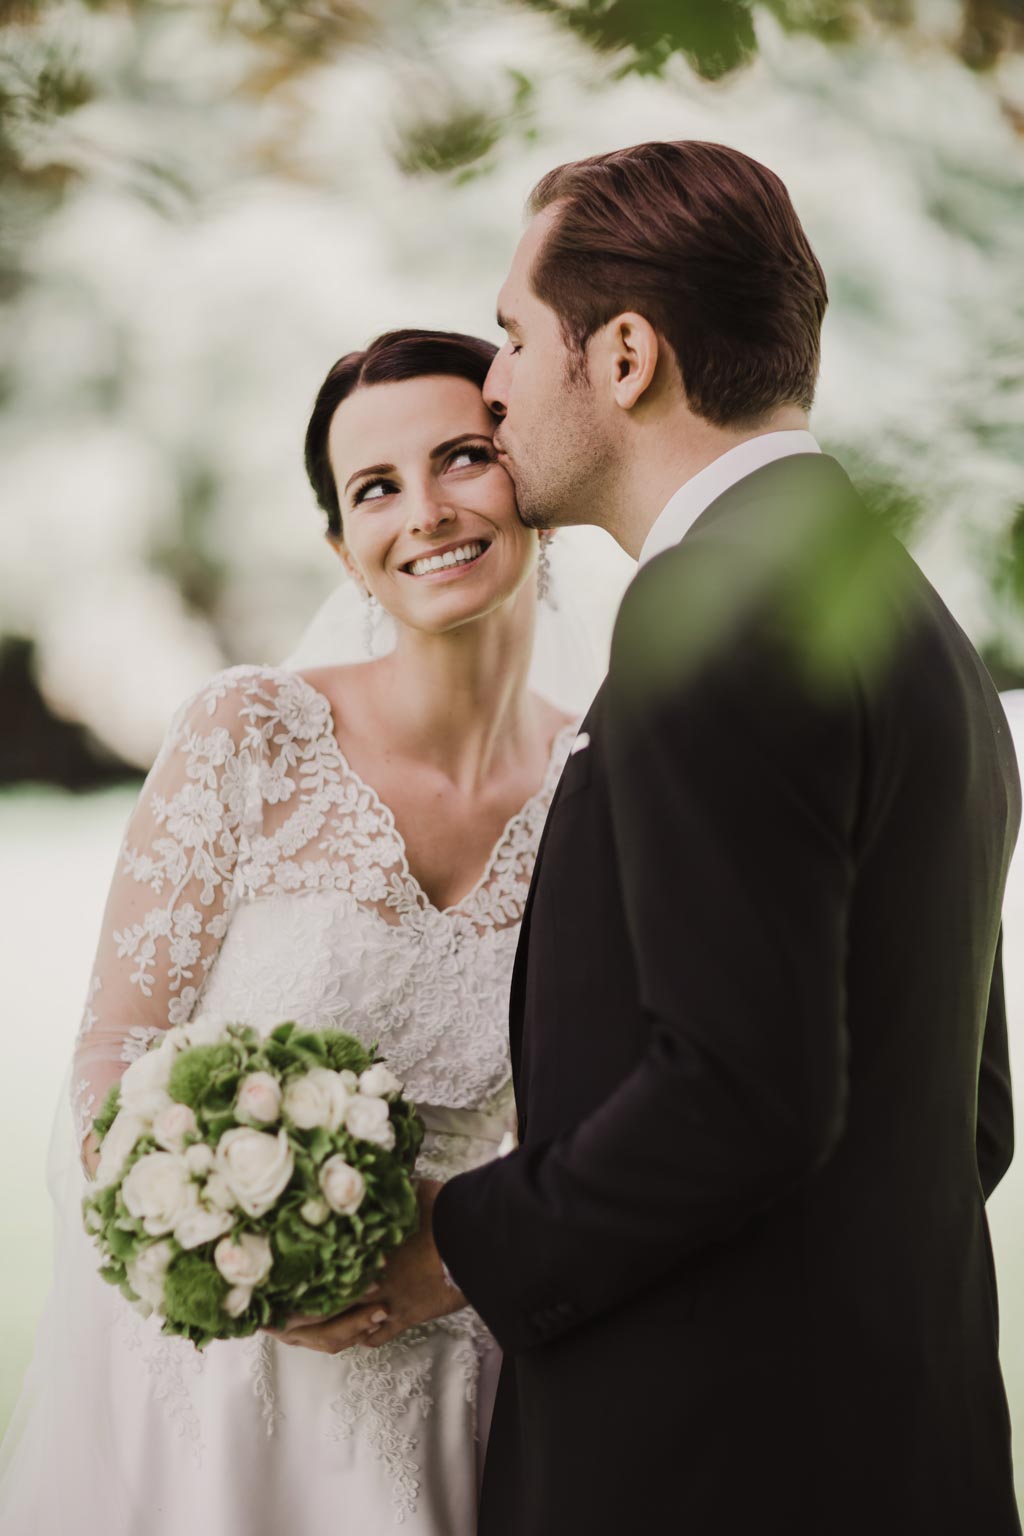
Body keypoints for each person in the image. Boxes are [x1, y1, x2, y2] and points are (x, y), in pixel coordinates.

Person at [287, 142, 1022, 1534]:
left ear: (623, 355)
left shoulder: (707, 625)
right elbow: (965, 1115)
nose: (496, 387)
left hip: (714, 1472)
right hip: (905, 1447)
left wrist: (450, 1245)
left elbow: (740, 1094)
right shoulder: (909, 617)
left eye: (512, 334)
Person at [0, 328, 589, 1536]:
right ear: (343, 550)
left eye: (463, 458)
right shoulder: (247, 735)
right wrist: (225, 1252)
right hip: (217, 1383)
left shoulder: (601, 781)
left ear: (528, 474)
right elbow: (114, 1058)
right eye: (376, 488)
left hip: (456, 1376)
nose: (424, 511)